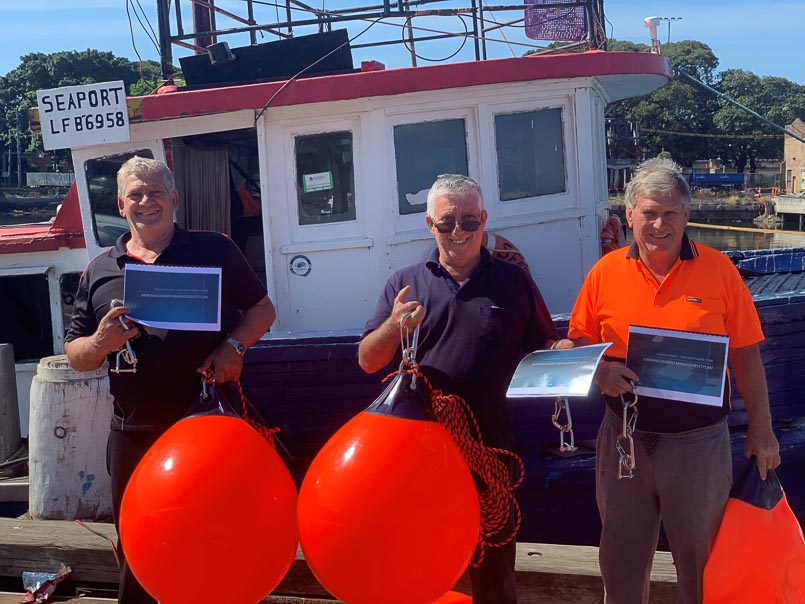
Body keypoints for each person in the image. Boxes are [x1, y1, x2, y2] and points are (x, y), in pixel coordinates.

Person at [567, 158, 780, 604]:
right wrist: (600, 372)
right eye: (648, 212)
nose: (659, 224)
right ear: (629, 216)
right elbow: (577, 343)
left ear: (686, 215)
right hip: (623, 441)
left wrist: (761, 430)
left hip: (698, 445)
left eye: (670, 213)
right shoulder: (604, 273)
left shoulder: (720, 270)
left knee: (702, 565)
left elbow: (745, 352)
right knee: (621, 561)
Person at [64, 156, 275, 604]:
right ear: (121, 205)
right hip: (134, 432)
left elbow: (262, 310)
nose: (147, 202)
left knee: (217, 535)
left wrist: (232, 348)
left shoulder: (215, 249)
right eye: (136, 195)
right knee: (139, 544)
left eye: (156, 192)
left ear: (174, 199)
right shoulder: (100, 268)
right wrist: (101, 341)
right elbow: (75, 354)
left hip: (208, 427)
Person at [358, 173, 570, 604]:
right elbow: (368, 360)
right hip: (421, 459)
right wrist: (394, 327)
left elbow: (544, 345)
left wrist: (563, 348)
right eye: (447, 222)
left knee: (494, 578)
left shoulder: (515, 282)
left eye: (470, 220)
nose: (459, 231)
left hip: (492, 452)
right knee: (429, 570)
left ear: (484, 220)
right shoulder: (406, 283)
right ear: (429, 225)